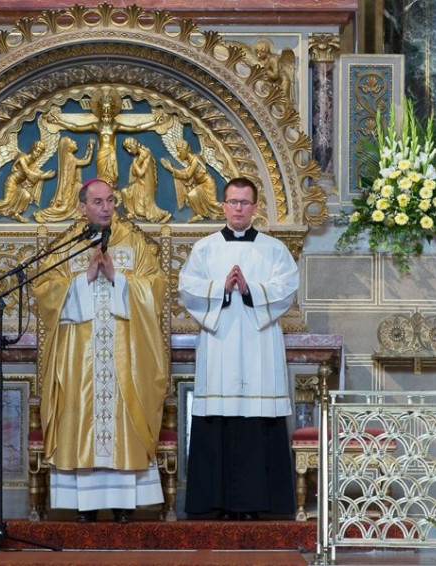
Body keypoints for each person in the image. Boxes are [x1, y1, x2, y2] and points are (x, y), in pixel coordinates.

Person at [31, 178, 169, 523]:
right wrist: (84, 279)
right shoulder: (65, 247)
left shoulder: (135, 243)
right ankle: (86, 505)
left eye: (110, 201)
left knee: (124, 420)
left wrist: (120, 278)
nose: (106, 208)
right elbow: (44, 291)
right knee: (82, 418)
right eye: (98, 202)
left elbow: (157, 287)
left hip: (125, 356)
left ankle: (124, 504)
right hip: (81, 359)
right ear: (82, 207)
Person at [178, 177, 299, 520]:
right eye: (233, 201)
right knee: (218, 419)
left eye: (245, 202)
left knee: (257, 422)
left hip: (260, 346)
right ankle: (212, 504)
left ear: (255, 207)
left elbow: (287, 287)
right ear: (223, 205)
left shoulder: (274, 249)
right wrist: (221, 287)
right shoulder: (205, 248)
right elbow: (187, 288)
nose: (238, 208)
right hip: (220, 344)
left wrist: (250, 290)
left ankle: (258, 505)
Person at [0, 140, 56, 223]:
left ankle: (16, 214)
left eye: (40, 153)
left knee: (26, 196)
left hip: (19, 184)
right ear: (32, 149)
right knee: (6, 202)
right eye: (37, 151)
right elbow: (28, 173)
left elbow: (35, 172)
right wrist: (43, 176)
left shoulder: (32, 163)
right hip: (11, 182)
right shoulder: (22, 158)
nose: (38, 154)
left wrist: (43, 175)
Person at [160, 140, 224, 223]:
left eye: (180, 151)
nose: (178, 154)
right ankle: (200, 215)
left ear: (185, 151)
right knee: (191, 195)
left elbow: (188, 175)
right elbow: (185, 171)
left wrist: (171, 169)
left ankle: (230, 209)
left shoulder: (195, 159)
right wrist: (172, 169)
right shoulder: (191, 161)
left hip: (208, 184)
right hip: (201, 184)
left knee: (213, 203)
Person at [34, 136, 95, 223]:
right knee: (64, 208)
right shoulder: (70, 157)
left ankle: (81, 212)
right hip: (67, 188)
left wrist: (89, 149)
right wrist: (90, 149)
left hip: (72, 185)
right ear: (68, 147)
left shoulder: (68, 156)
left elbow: (84, 160)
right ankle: (41, 214)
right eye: (71, 141)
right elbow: (86, 161)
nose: (74, 142)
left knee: (80, 187)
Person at [121, 137, 171, 223]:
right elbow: (134, 173)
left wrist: (134, 164)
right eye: (127, 149)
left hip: (146, 185)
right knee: (124, 191)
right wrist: (136, 164)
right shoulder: (140, 156)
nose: (129, 151)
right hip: (140, 183)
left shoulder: (146, 154)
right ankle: (132, 213)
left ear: (135, 145)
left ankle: (164, 214)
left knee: (149, 209)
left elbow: (140, 173)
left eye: (129, 148)